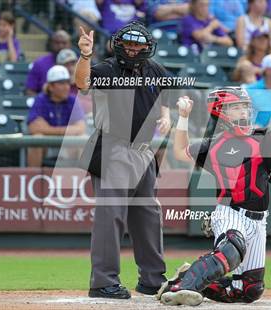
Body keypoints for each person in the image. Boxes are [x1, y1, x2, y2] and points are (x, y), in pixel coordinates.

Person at [157, 87, 271, 306]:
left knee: (248, 290)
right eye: (236, 107)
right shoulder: (213, 145)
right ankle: (183, 288)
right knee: (231, 251)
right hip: (230, 212)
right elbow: (180, 151)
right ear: (220, 112)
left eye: (245, 106)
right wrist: (184, 118)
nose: (243, 112)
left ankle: (184, 278)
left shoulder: (263, 138)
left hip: (259, 219)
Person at [75, 21, 171, 299]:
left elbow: (165, 91)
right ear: (118, 45)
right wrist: (84, 56)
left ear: (146, 46)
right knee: (111, 216)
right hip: (113, 146)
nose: (132, 49)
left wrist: (165, 115)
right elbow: (82, 83)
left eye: (137, 44)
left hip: (143, 149)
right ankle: (103, 281)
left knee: (148, 216)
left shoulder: (154, 69)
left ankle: (152, 279)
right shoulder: (108, 68)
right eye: (128, 44)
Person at [27, 65, 86, 167]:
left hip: (68, 146)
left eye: (67, 82)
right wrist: (68, 130)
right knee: (37, 138)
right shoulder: (41, 99)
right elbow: (33, 128)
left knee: (83, 139)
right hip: (47, 146)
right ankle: (33, 178)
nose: (66, 87)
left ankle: (81, 180)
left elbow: (81, 128)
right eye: (61, 83)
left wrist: (48, 129)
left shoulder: (72, 100)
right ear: (51, 86)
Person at [25, 30, 72, 96]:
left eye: (64, 43)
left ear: (70, 44)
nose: (60, 46)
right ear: (51, 44)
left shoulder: (78, 64)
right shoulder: (39, 64)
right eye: (57, 43)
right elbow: (29, 91)